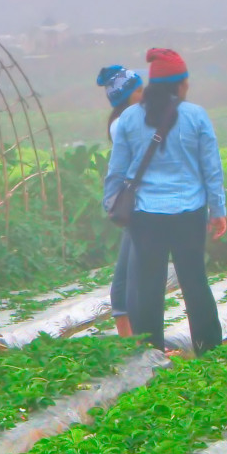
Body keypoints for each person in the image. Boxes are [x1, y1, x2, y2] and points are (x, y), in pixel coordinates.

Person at [105, 48, 227, 353]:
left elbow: (116, 170)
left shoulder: (130, 119)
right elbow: (211, 169)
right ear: (179, 84)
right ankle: (208, 350)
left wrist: (112, 205)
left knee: (148, 287)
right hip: (190, 212)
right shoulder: (196, 115)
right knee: (194, 281)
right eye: (186, 80)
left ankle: (151, 356)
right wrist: (218, 210)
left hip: (146, 215)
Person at [96, 65, 144, 338]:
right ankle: (130, 339)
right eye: (138, 90)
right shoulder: (123, 124)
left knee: (131, 270)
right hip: (137, 206)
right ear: (124, 96)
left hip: (140, 205)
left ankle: (132, 338)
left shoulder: (131, 120)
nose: (143, 94)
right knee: (129, 273)